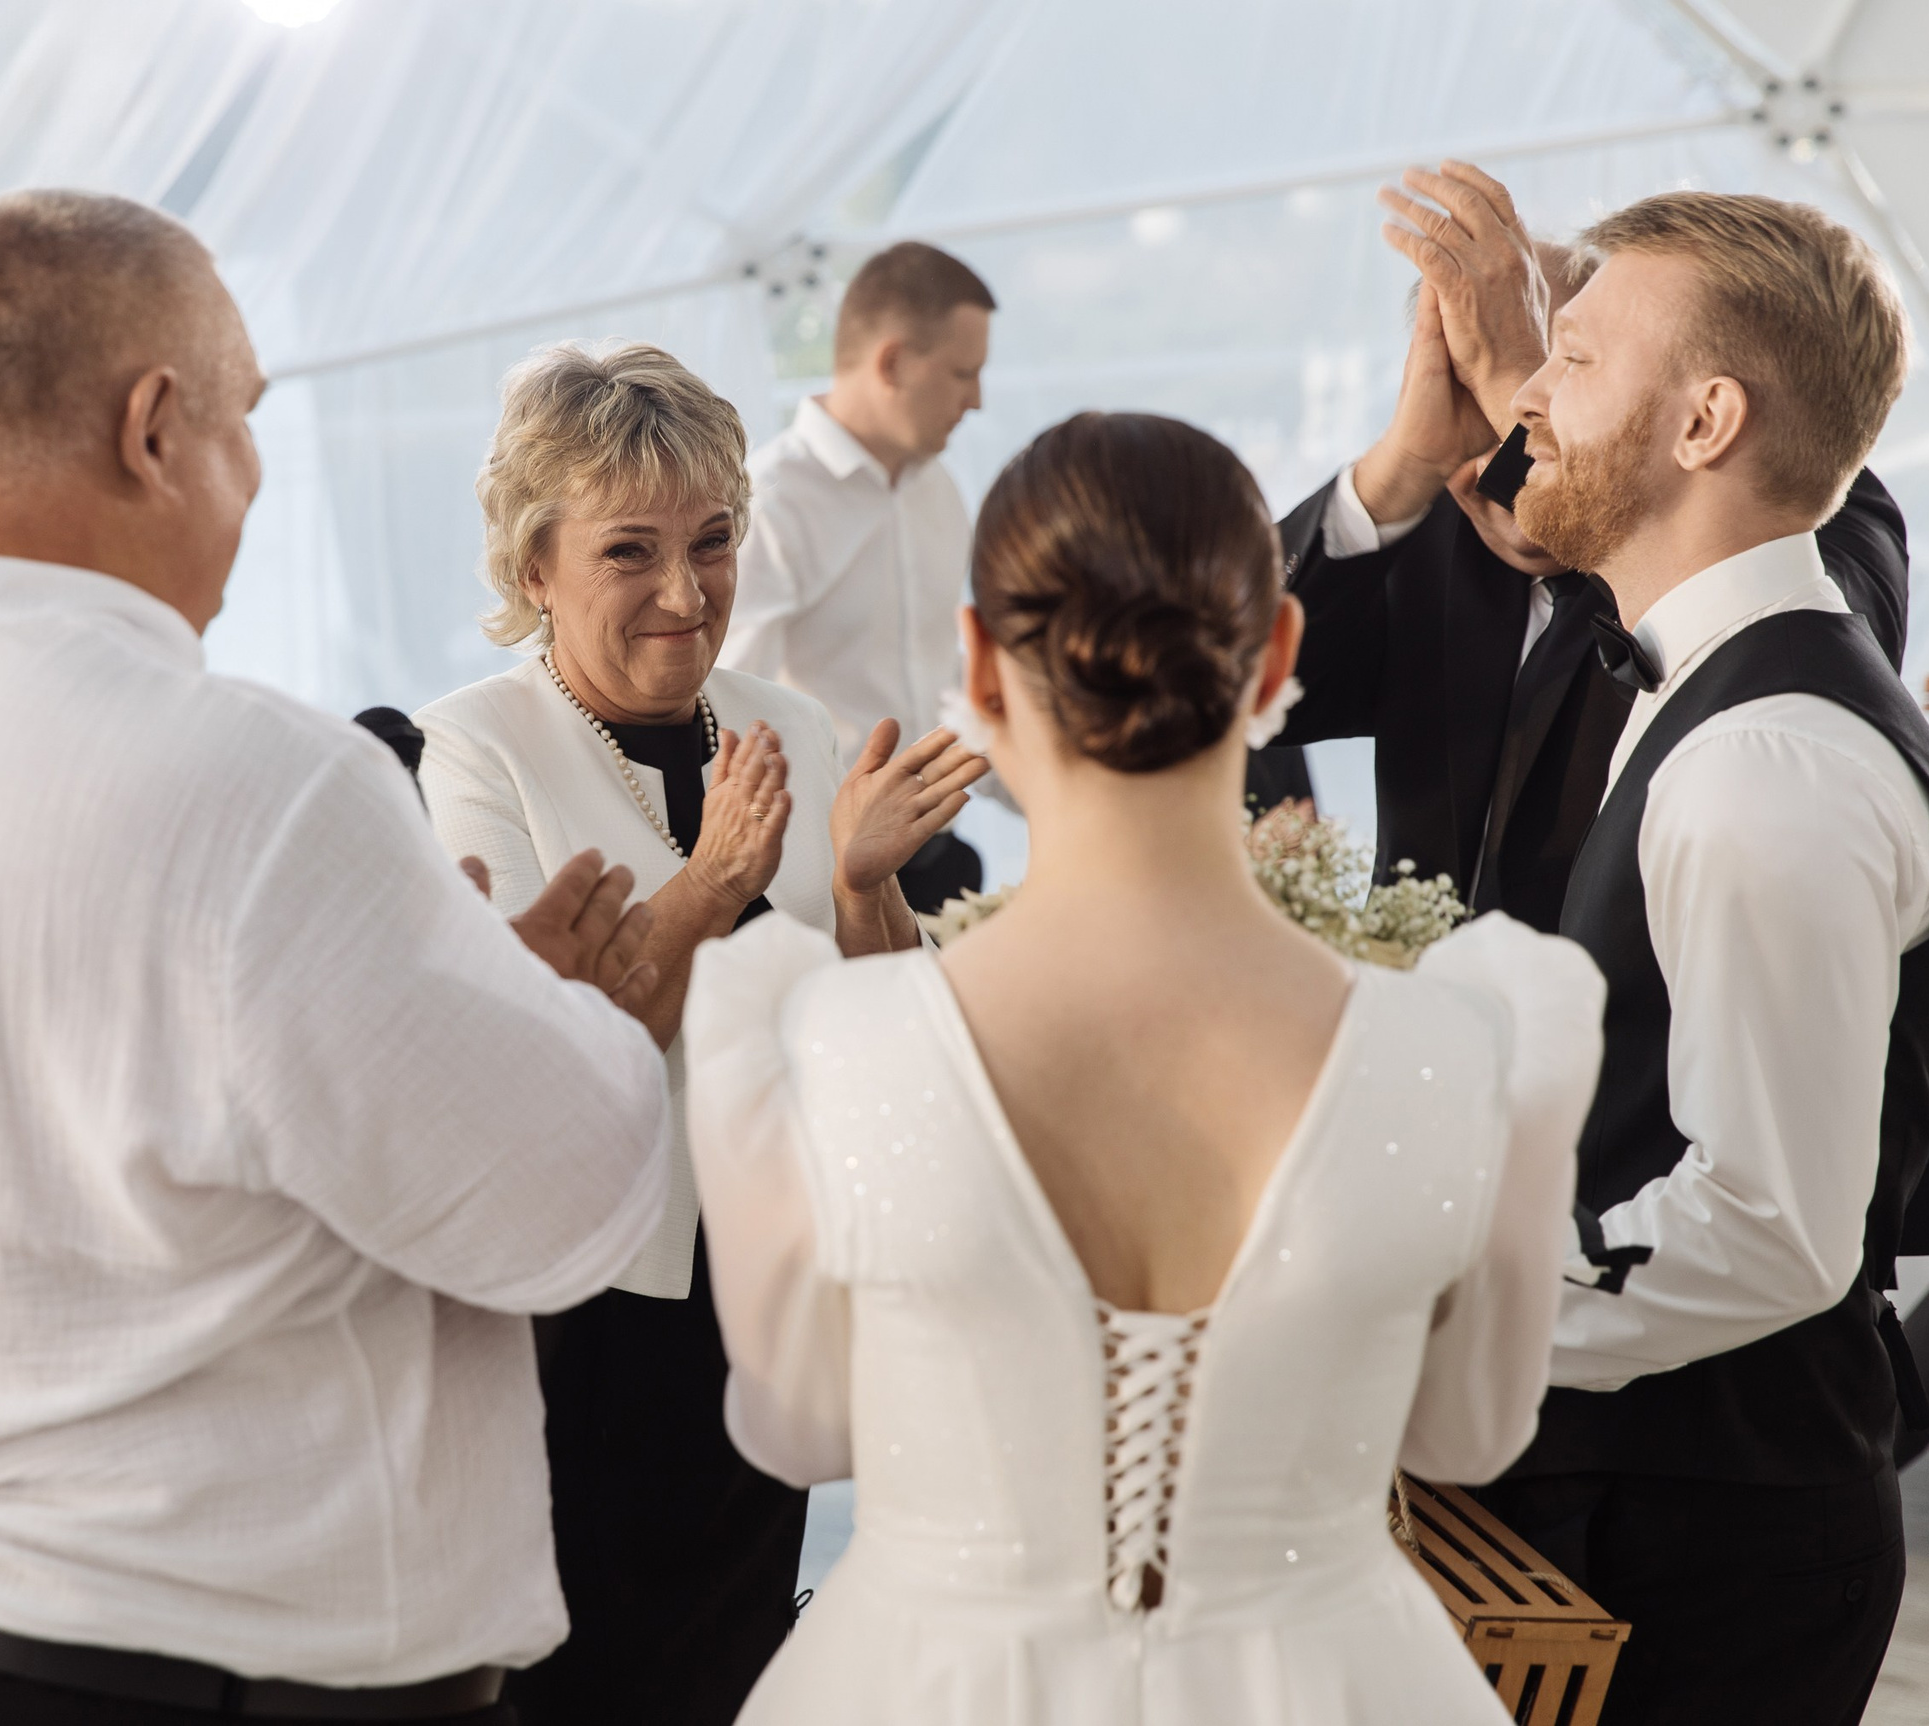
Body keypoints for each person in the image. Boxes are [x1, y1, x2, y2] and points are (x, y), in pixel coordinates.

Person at [0, 190, 674, 1726]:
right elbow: (570, 1203)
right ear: (156, 429)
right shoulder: (254, 785)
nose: (254, 474)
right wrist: (551, 1013)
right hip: (100, 1675)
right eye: (246, 420)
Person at [683, 410, 1602, 1722]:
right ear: (1278, 649)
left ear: (981, 666)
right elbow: (1467, 1433)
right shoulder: (1474, 1045)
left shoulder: (823, 1044)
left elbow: (804, 1429)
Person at [414, 339, 985, 1726]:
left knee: (732, 1669)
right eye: (632, 552)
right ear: (533, 564)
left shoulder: (784, 720)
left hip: (760, 1299)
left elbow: (876, 1028)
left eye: (715, 542)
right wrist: (718, 880)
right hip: (576, 1319)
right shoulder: (469, 750)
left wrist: (862, 887)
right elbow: (539, 1058)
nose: (688, 593)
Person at [1466, 192, 1929, 1726]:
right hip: (1656, 1498)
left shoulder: (1768, 766)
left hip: (1699, 1545)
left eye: (1575, 358)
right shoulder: (1722, 688)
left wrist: (1430, 1306)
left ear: (1706, 420)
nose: (1528, 402)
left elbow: (1767, 1224)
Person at [1276, 160, 1909, 933]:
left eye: (1572, 361)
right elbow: (1219, 685)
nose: (1529, 407)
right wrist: (1395, 473)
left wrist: (1517, 394)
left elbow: (1792, 662)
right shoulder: (1434, 521)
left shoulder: (1803, 495)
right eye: (1494, 387)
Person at [720, 241, 995, 912]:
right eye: (964, 373)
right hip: (822, 880)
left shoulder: (941, 493)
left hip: (938, 858)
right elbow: (723, 707)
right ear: (894, 363)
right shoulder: (772, 503)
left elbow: (941, 672)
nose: (979, 401)